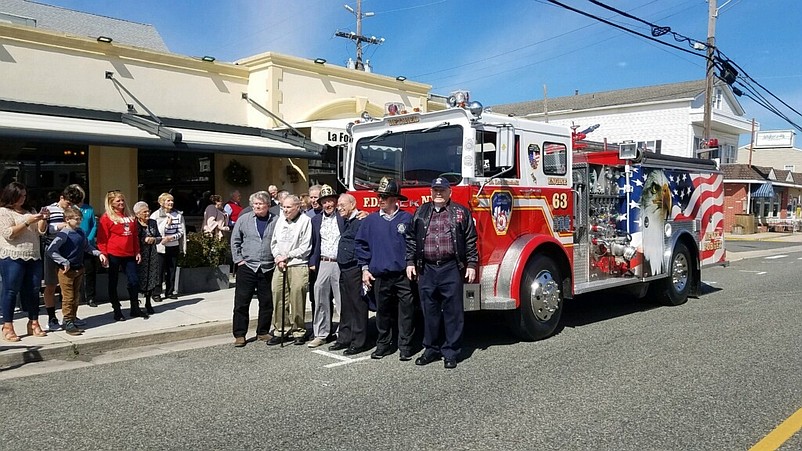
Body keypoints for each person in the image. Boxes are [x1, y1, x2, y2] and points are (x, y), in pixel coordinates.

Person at [405, 178, 478, 369]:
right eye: (436, 190)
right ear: (431, 192)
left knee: (453, 312)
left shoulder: (461, 212)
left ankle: (451, 352)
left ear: (449, 192)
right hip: (427, 269)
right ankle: (430, 349)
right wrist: (410, 262)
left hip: (451, 268)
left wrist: (471, 264)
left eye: (442, 190)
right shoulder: (421, 211)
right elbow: (411, 238)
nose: (439, 193)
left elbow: (470, 239)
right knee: (429, 311)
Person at [356, 177, 416, 361]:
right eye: (379, 196)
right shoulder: (371, 221)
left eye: (384, 196)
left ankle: (405, 346)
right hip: (380, 275)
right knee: (382, 313)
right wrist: (365, 269)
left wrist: (412, 263)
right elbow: (361, 245)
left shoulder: (407, 219)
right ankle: (383, 345)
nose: (380, 199)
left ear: (395, 198)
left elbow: (413, 244)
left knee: (407, 312)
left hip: (402, 275)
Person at [46, 206, 107, 335]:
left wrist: (98, 253)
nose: (79, 221)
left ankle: (73, 317)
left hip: (79, 268)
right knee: (68, 297)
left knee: (76, 295)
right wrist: (63, 261)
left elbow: (87, 247)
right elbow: (51, 250)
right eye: (76, 219)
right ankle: (67, 321)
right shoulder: (63, 234)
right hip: (66, 270)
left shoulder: (80, 232)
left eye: (80, 219)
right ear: (67, 219)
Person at [0, 182, 47, 341]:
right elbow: (8, 234)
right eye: (19, 196)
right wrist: (27, 221)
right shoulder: (4, 212)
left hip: (33, 255)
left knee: (34, 290)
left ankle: (33, 322)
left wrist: (42, 219)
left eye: (24, 196)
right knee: (11, 290)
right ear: (11, 196)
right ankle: (8, 325)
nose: (22, 199)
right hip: (12, 256)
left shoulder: (30, 211)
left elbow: (40, 231)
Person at [230, 191, 277, 347]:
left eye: (260, 204)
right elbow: (235, 240)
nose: (257, 206)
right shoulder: (244, 219)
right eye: (255, 204)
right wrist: (239, 260)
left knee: (266, 302)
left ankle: (263, 331)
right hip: (247, 266)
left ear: (268, 205)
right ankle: (239, 334)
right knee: (242, 302)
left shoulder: (276, 220)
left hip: (267, 267)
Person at [269, 194, 311, 346]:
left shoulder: (305, 221)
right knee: (278, 295)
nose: (285, 210)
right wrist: (278, 257)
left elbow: (305, 247)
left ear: (297, 207)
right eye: (283, 207)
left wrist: (287, 256)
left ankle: (299, 330)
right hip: (280, 263)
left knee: (297, 296)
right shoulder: (280, 220)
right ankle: (281, 329)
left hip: (297, 263)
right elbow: (273, 242)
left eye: (288, 207)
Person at [329, 193, 368, 355]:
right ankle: (344, 337)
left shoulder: (361, 220)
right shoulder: (344, 220)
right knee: (345, 304)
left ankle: (359, 341)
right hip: (343, 267)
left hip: (355, 267)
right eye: (338, 205)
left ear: (353, 204)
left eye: (342, 205)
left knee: (357, 304)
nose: (339, 208)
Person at [41, 184, 85, 332]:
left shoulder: (73, 210)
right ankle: (51, 316)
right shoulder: (50, 209)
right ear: (61, 198)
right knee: (51, 284)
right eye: (68, 202)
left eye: (72, 203)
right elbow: (43, 230)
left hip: (69, 251)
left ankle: (70, 316)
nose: (70, 205)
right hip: (53, 249)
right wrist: (58, 227)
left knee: (70, 287)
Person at [307, 184, 343, 348]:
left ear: (336, 201)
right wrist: (312, 262)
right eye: (325, 202)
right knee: (320, 298)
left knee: (342, 300)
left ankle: (343, 332)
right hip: (323, 262)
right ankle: (321, 333)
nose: (328, 205)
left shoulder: (343, 217)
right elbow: (312, 243)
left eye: (331, 201)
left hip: (340, 263)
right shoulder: (315, 220)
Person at [97, 190, 142, 321]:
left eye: (122, 200)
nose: (121, 203)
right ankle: (116, 309)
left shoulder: (130, 216)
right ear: (111, 203)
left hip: (129, 254)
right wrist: (103, 254)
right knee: (113, 282)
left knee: (134, 281)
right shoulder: (106, 218)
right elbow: (102, 238)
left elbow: (134, 236)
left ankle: (135, 307)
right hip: (113, 254)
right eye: (118, 201)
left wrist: (137, 251)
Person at [151, 192, 186, 301]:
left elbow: (181, 232)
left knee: (172, 270)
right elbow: (156, 232)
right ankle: (156, 293)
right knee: (159, 271)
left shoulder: (178, 215)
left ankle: (169, 292)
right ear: (161, 203)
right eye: (168, 201)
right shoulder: (155, 215)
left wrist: (171, 238)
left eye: (172, 201)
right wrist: (167, 224)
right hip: (160, 247)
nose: (171, 203)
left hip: (173, 245)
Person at [133, 201, 162, 318]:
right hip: (140, 255)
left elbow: (159, 237)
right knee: (138, 279)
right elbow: (133, 239)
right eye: (144, 212)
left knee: (151, 278)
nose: (147, 213)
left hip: (152, 255)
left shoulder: (153, 223)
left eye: (148, 211)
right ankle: (135, 304)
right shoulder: (135, 224)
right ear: (138, 214)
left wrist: (154, 240)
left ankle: (148, 303)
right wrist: (143, 240)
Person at [76, 186, 99, 308]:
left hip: (88, 245)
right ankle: (77, 297)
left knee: (90, 271)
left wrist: (89, 239)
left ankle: (91, 297)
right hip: (75, 246)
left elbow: (94, 225)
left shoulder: (89, 209)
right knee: (75, 272)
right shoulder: (71, 209)